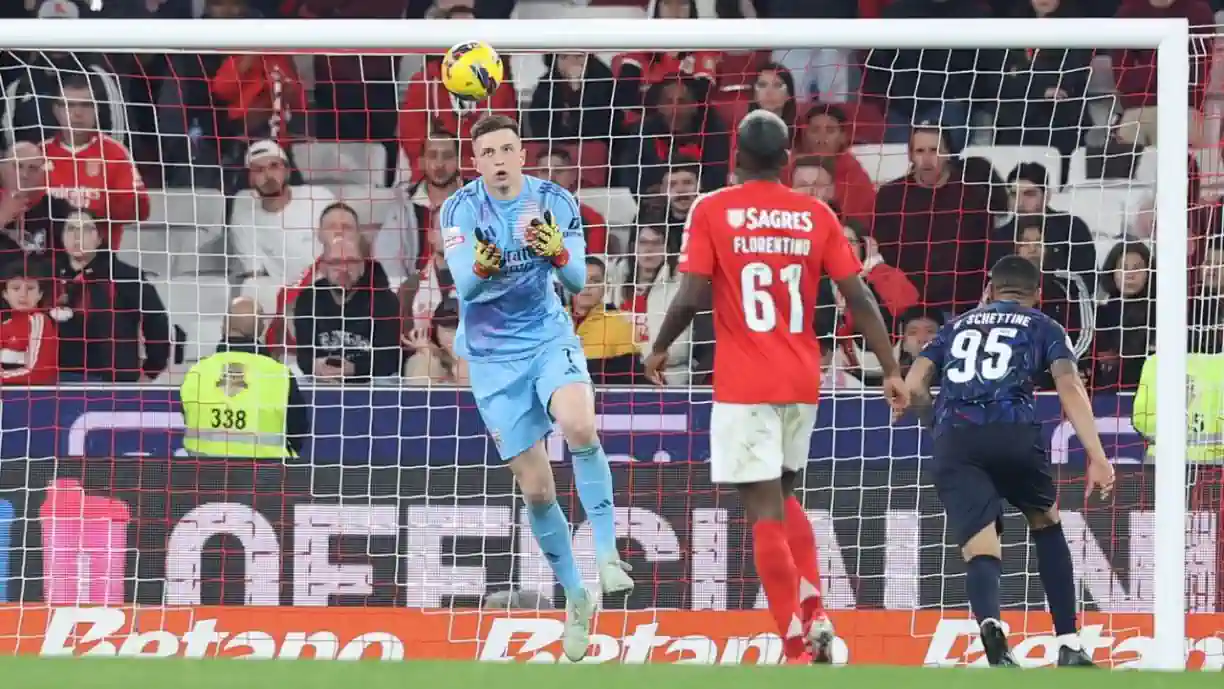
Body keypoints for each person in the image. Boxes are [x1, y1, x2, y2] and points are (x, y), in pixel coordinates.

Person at [643, 110, 908, 664]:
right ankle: (814, 610)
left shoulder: (712, 208)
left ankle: (796, 641)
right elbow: (858, 296)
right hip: (801, 378)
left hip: (745, 380)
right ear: (787, 159)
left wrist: (661, 345)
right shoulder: (815, 213)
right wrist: (890, 369)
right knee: (785, 496)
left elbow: (690, 296)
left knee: (762, 509)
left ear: (735, 157)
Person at [440, 114, 633, 662]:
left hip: (549, 337)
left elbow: (576, 285)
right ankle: (575, 595)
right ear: (475, 163)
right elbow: (465, 286)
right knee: (539, 491)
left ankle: (606, 552)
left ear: (522, 153)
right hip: (493, 361)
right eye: (488, 153)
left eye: (507, 149)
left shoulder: (556, 202)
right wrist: (482, 263)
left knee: (578, 424)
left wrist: (560, 254)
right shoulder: (458, 210)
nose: (499, 160)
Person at [900, 255, 1114, 667]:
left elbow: (914, 385)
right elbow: (1068, 384)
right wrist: (1097, 455)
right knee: (1046, 522)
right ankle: (1068, 642)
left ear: (991, 290)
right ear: (1038, 294)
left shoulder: (954, 326)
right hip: (1012, 432)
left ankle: (992, 626)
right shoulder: (1044, 325)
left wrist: (934, 422)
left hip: (956, 438)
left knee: (981, 546)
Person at [179, 347, 310, 460]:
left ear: (223, 328)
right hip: (267, 479)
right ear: (259, 329)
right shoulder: (279, 373)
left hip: (204, 477)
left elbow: (186, 417)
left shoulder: (197, 371)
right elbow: (298, 429)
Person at [0, 257, 58, 384]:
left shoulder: (40, 321)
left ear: (40, 294)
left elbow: (40, 373)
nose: (23, 294)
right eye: (16, 288)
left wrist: (2, 377)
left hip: (32, 398)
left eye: (30, 288)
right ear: (5, 294)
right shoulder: (4, 325)